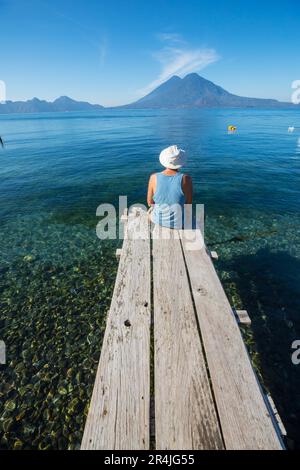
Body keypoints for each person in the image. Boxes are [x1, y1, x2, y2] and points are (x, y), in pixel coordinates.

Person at [147, 145, 193, 229]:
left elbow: (150, 202)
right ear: (180, 163)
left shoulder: (153, 177)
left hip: (158, 220)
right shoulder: (186, 179)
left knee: (149, 213)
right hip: (179, 223)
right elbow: (188, 204)